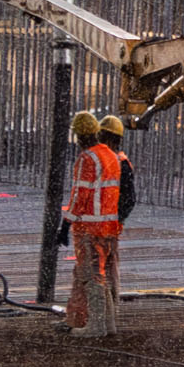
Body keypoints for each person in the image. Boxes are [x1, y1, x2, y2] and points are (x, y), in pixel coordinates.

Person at [60, 110, 130, 330]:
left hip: (90, 227)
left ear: (79, 135)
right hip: (110, 227)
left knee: (93, 277)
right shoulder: (111, 156)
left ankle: (96, 327)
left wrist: (65, 225)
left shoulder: (87, 158)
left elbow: (80, 195)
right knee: (103, 276)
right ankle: (108, 325)